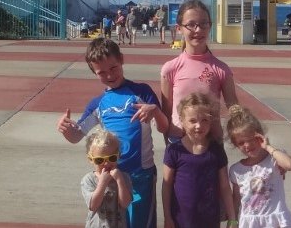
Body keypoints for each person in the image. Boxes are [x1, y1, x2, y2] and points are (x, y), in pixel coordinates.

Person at [57, 38, 170, 228]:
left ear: (122, 60)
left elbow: (164, 127)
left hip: (140, 174)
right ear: (94, 72)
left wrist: (155, 111)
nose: (109, 75)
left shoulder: (141, 91)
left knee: (140, 223)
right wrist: (66, 130)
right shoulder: (98, 103)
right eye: (102, 72)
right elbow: (77, 135)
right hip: (110, 177)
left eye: (114, 68)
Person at [161, 0, 240, 143]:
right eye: (191, 24)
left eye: (204, 24)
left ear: (210, 26)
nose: (198, 30)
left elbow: (235, 111)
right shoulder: (170, 69)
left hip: (211, 144)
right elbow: (166, 113)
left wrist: (247, 134)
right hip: (178, 142)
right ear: (179, 28)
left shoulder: (221, 69)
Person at [163, 92, 234, 228]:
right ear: (182, 121)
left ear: (211, 121)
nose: (199, 126)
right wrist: (167, 216)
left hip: (209, 219)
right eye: (193, 120)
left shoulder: (216, 150)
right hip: (180, 219)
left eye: (204, 120)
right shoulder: (174, 150)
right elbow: (166, 185)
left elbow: (225, 186)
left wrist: (232, 218)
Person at [226, 105, 291, 228]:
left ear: (260, 136)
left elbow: (290, 165)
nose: (247, 145)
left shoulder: (273, 159)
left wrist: (268, 147)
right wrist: (233, 221)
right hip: (249, 222)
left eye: (251, 139)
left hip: (275, 220)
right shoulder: (236, 170)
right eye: (241, 143)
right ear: (235, 145)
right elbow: (236, 199)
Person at [81, 127, 132, 228]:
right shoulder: (89, 179)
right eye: (99, 160)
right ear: (91, 159)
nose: (106, 163)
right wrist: (102, 183)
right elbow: (93, 205)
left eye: (112, 158)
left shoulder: (124, 177)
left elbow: (125, 203)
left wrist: (120, 180)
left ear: (119, 155)